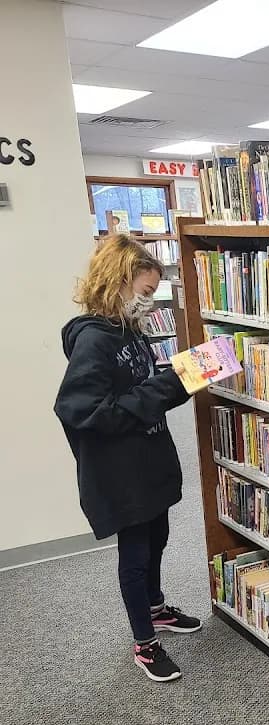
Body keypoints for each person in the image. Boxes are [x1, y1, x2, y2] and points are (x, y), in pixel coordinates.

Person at [54, 235, 199, 683]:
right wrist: (163, 387)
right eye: (146, 292)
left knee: (159, 536)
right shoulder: (93, 341)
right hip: (122, 472)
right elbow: (82, 411)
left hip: (149, 460)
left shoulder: (128, 331)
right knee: (135, 554)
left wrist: (179, 377)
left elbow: (140, 387)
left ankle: (155, 609)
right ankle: (144, 642)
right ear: (116, 283)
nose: (149, 304)